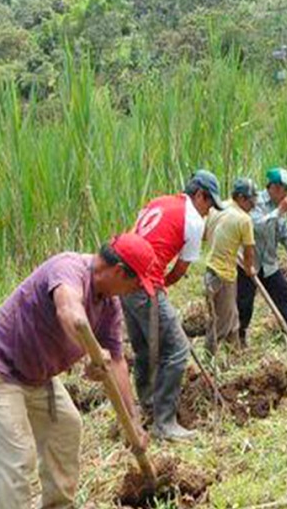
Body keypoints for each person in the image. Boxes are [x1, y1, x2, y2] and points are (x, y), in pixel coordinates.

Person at [0, 233, 156, 509]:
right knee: (16, 459)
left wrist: (134, 423)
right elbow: (69, 311)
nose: (136, 290)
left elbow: (116, 362)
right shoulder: (68, 268)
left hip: (39, 375)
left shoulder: (109, 306)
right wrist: (90, 349)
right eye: (136, 283)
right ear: (118, 271)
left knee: (66, 429)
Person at [122, 169, 223, 441]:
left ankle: (148, 404)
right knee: (177, 349)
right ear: (200, 195)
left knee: (144, 348)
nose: (208, 212)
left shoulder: (159, 202)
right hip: (145, 285)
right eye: (209, 204)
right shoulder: (193, 218)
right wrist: (159, 286)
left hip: (123, 281)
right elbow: (180, 269)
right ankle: (164, 422)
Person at [237, 167, 287, 345]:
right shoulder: (255, 201)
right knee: (244, 304)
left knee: (283, 294)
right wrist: (278, 212)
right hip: (248, 263)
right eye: (285, 189)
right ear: (273, 187)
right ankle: (239, 337)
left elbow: (286, 237)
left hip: (269, 263)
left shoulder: (278, 208)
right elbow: (255, 226)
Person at [203, 177, 257, 355]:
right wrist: (249, 269)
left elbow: (205, 235)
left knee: (230, 317)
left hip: (210, 272)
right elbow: (249, 252)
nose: (254, 204)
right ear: (241, 198)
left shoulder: (217, 208)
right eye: (251, 200)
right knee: (221, 323)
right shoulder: (244, 219)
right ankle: (210, 362)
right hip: (223, 275)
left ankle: (235, 356)